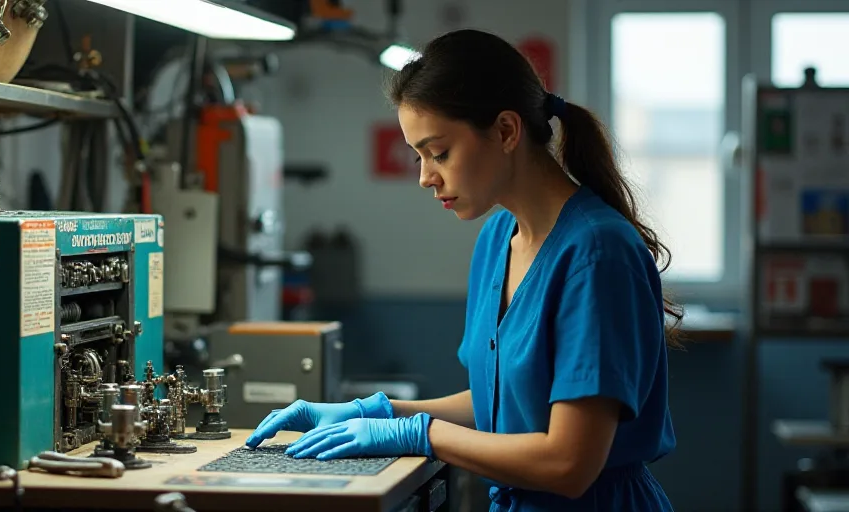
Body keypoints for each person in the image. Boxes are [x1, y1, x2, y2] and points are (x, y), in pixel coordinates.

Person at [244, 28, 684, 511]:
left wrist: (420, 434)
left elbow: (568, 464)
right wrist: (378, 411)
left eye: (439, 152)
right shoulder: (498, 239)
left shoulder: (596, 253)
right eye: (418, 156)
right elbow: (503, 401)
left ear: (505, 131)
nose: (424, 177)